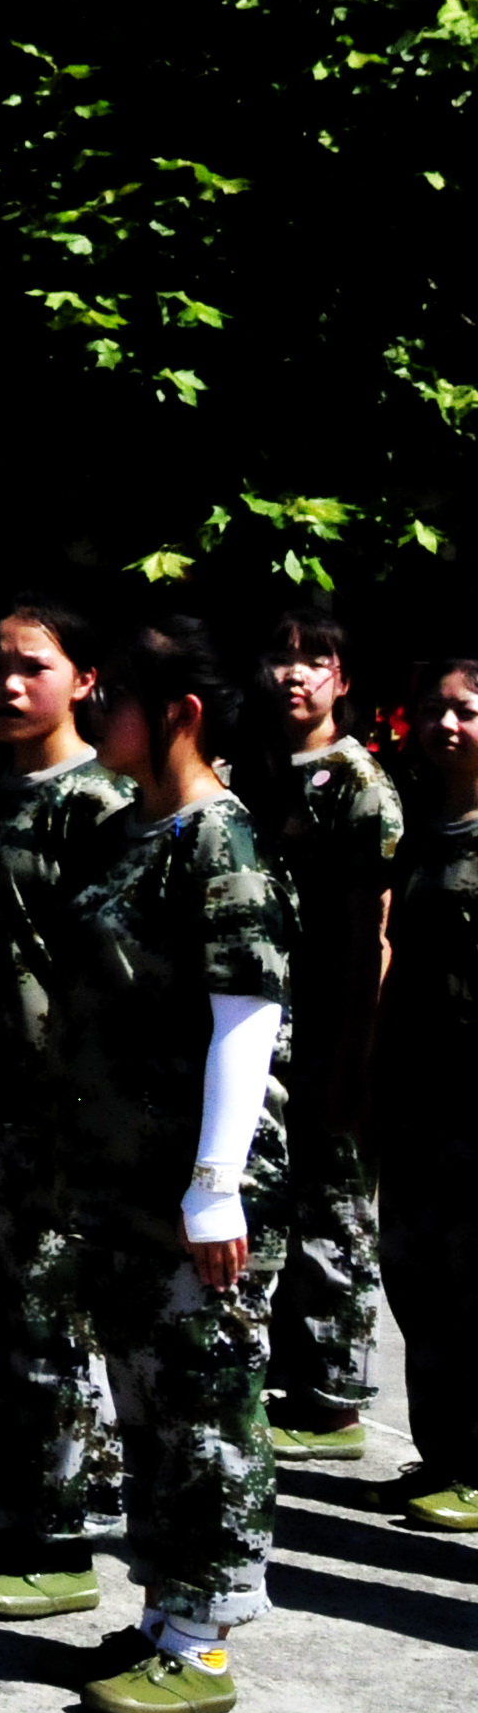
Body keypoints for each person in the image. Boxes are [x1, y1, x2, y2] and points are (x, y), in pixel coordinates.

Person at [37, 617, 290, 1713]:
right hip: (125, 1173)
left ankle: (205, 1640)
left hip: (192, 1180)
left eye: (118, 695)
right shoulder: (139, 829)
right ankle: (162, 1612)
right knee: (145, 1393)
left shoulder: (217, 842)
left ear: (177, 713)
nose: (95, 710)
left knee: (204, 1399)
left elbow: (246, 1018)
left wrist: (215, 1180)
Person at [0, 600, 140, 1620]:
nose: (9, 685)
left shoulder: (98, 807)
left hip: (49, 1115)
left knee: (51, 1329)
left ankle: (61, 1541)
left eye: (34, 666)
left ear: (83, 679)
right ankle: (7, 1519)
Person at [236, 608, 401, 1464]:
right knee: (273, 1203)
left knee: (334, 1212)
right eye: (279, 656)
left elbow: (373, 929)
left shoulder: (358, 784)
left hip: (328, 1024)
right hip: (260, 1027)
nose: (294, 675)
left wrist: (356, 1056)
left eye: (315, 661)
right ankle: (291, 1375)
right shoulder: (252, 775)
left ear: (343, 679)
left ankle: (334, 1397)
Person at [372, 653, 478, 1535]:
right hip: (418, 1096)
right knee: (416, 1279)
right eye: (434, 710)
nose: (447, 726)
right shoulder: (421, 824)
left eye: (468, 711)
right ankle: (445, 1457)